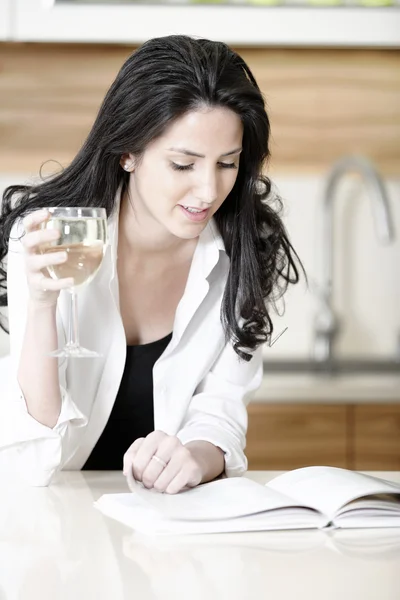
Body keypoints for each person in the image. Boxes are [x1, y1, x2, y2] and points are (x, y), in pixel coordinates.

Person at [0, 35, 303, 489]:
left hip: (167, 521)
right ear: (128, 153)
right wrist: (43, 306)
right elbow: (34, 443)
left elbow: (220, 410)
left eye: (227, 163)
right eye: (183, 164)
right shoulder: (52, 238)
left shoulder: (244, 248)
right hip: (57, 514)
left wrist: (196, 459)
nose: (207, 191)